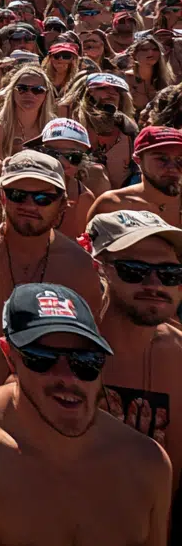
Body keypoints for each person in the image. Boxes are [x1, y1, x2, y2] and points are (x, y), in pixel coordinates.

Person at [0, 283, 172, 546]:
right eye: (42, 359)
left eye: (84, 362)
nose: (67, 378)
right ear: (10, 357)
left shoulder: (146, 463)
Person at [87, 210, 182, 497]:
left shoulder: (178, 353)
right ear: (99, 268)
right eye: (134, 270)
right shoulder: (60, 354)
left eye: (169, 274)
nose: (154, 285)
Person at [0, 151, 103, 323]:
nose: (29, 205)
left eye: (42, 198)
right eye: (18, 195)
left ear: (62, 204)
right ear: (3, 197)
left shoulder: (79, 267)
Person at [22, 117, 108, 238]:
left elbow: (79, 247)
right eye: (52, 154)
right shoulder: (18, 185)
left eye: (73, 157)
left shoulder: (83, 198)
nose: (62, 163)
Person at [88, 125, 182, 227]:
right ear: (138, 160)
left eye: (180, 159)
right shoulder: (113, 204)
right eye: (162, 159)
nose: (172, 168)